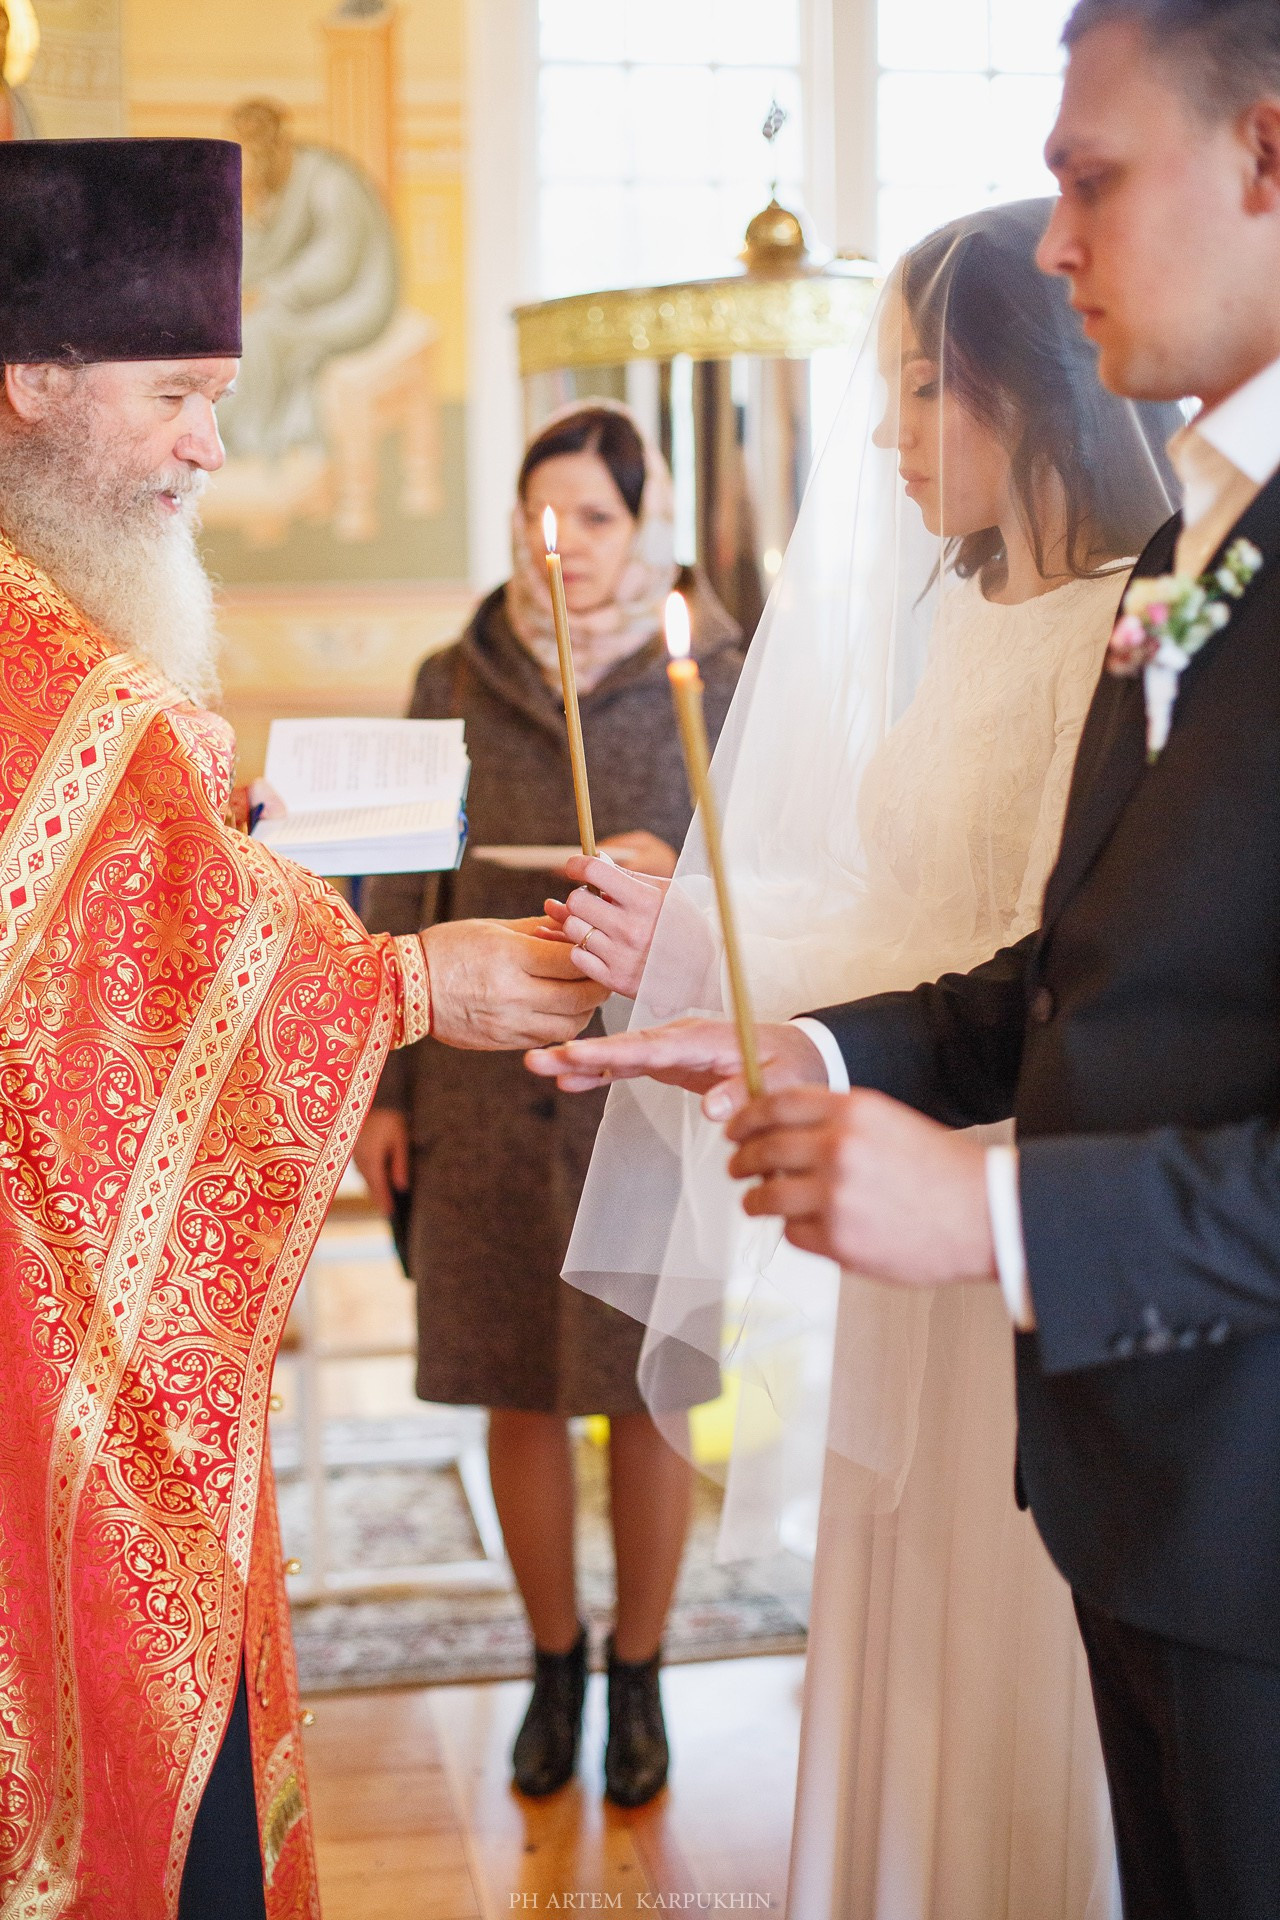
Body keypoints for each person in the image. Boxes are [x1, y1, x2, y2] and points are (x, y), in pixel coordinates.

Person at [532, 4, 1280, 1914]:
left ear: (1264, 159)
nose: (1054, 238)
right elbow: (1061, 975)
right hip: (1145, 1482)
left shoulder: (1159, 581)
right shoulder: (1205, 553)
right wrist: (800, 1039)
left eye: (1090, 180)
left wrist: (997, 1214)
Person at [0, 137, 605, 1920]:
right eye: (180, 392)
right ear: (28, 377)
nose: (212, 440)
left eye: (226, 395)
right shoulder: (68, 683)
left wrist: (209, 852)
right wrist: (425, 983)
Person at [355, 400, 743, 1807]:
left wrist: (677, 877)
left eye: (597, 516)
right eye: (545, 515)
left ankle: (640, 1678)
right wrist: (384, 1083)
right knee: (514, 1385)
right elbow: (397, 891)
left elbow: (773, 886)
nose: (567, 543)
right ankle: (553, 1663)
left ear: (646, 529)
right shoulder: (452, 675)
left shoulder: (714, 678)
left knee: (645, 1392)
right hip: (477, 1087)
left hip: (646, 1093)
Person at [217, 98, 398, 462]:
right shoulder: (266, 186)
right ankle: (238, 434)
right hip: (304, 298)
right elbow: (255, 259)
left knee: (260, 332)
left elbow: (336, 262)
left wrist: (270, 293)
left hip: (356, 299)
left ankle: (257, 439)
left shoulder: (329, 180)